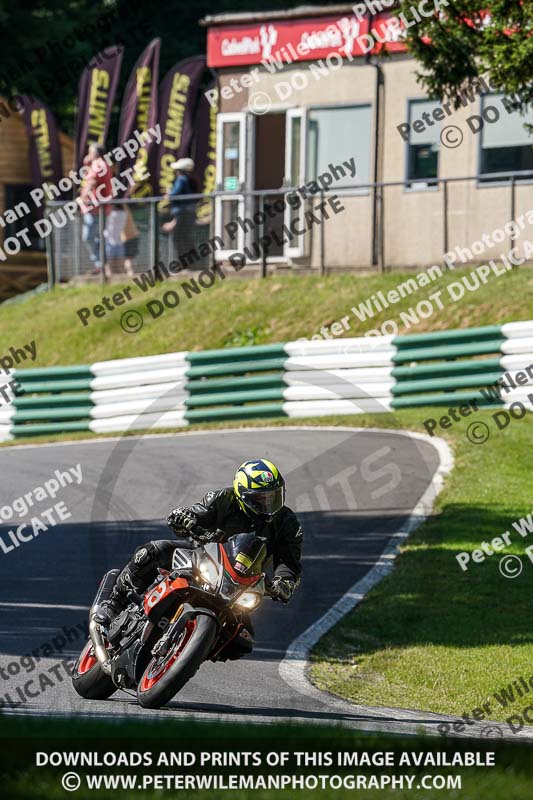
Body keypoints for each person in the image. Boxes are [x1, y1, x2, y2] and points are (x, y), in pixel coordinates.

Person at [102, 459, 303, 661]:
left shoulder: (287, 522)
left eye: (273, 497)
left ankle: (191, 648)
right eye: (259, 499)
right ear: (242, 494)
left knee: (242, 641)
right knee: (153, 551)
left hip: (242, 580)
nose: (267, 505)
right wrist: (186, 518)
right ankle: (114, 602)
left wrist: (284, 583)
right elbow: (198, 513)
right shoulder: (223, 498)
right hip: (204, 558)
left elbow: (289, 561)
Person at [79, 143, 113, 274]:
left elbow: (91, 182)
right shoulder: (101, 164)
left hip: (95, 208)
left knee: (88, 237)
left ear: (95, 154)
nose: (88, 154)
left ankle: (100, 264)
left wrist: (81, 200)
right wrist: (87, 164)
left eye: (90, 152)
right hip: (101, 208)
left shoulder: (98, 165)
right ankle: (102, 266)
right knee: (98, 238)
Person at [162, 157, 199, 256]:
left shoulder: (182, 179)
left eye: (177, 170)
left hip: (183, 213)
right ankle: (193, 262)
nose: (176, 172)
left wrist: (169, 195)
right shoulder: (190, 179)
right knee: (186, 237)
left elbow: (174, 194)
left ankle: (186, 263)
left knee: (179, 238)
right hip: (189, 212)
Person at [104, 203, 127, 279]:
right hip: (118, 242)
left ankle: (109, 278)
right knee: (120, 265)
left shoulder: (113, 214)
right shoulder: (124, 214)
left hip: (110, 241)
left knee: (109, 264)